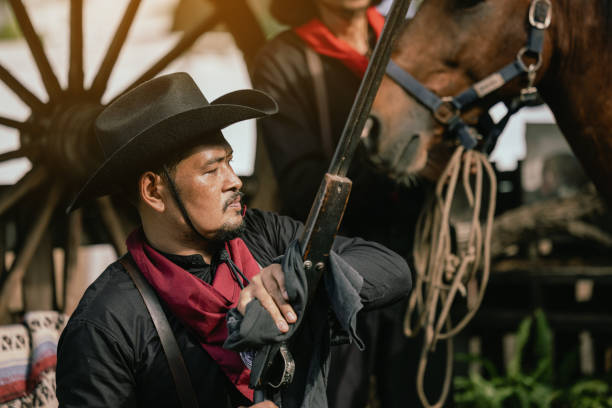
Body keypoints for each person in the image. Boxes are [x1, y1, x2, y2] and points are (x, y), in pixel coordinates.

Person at [55, 72, 412, 407]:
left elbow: (393, 271)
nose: (235, 180)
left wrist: (296, 276)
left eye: (230, 161)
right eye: (212, 170)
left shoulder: (265, 236)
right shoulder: (104, 324)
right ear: (153, 190)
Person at [251, 1, 433, 407]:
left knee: (418, 392)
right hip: (336, 270)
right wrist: (383, 150)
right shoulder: (282, 61)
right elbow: (301, 188)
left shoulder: (412, 40)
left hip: (416, 258)